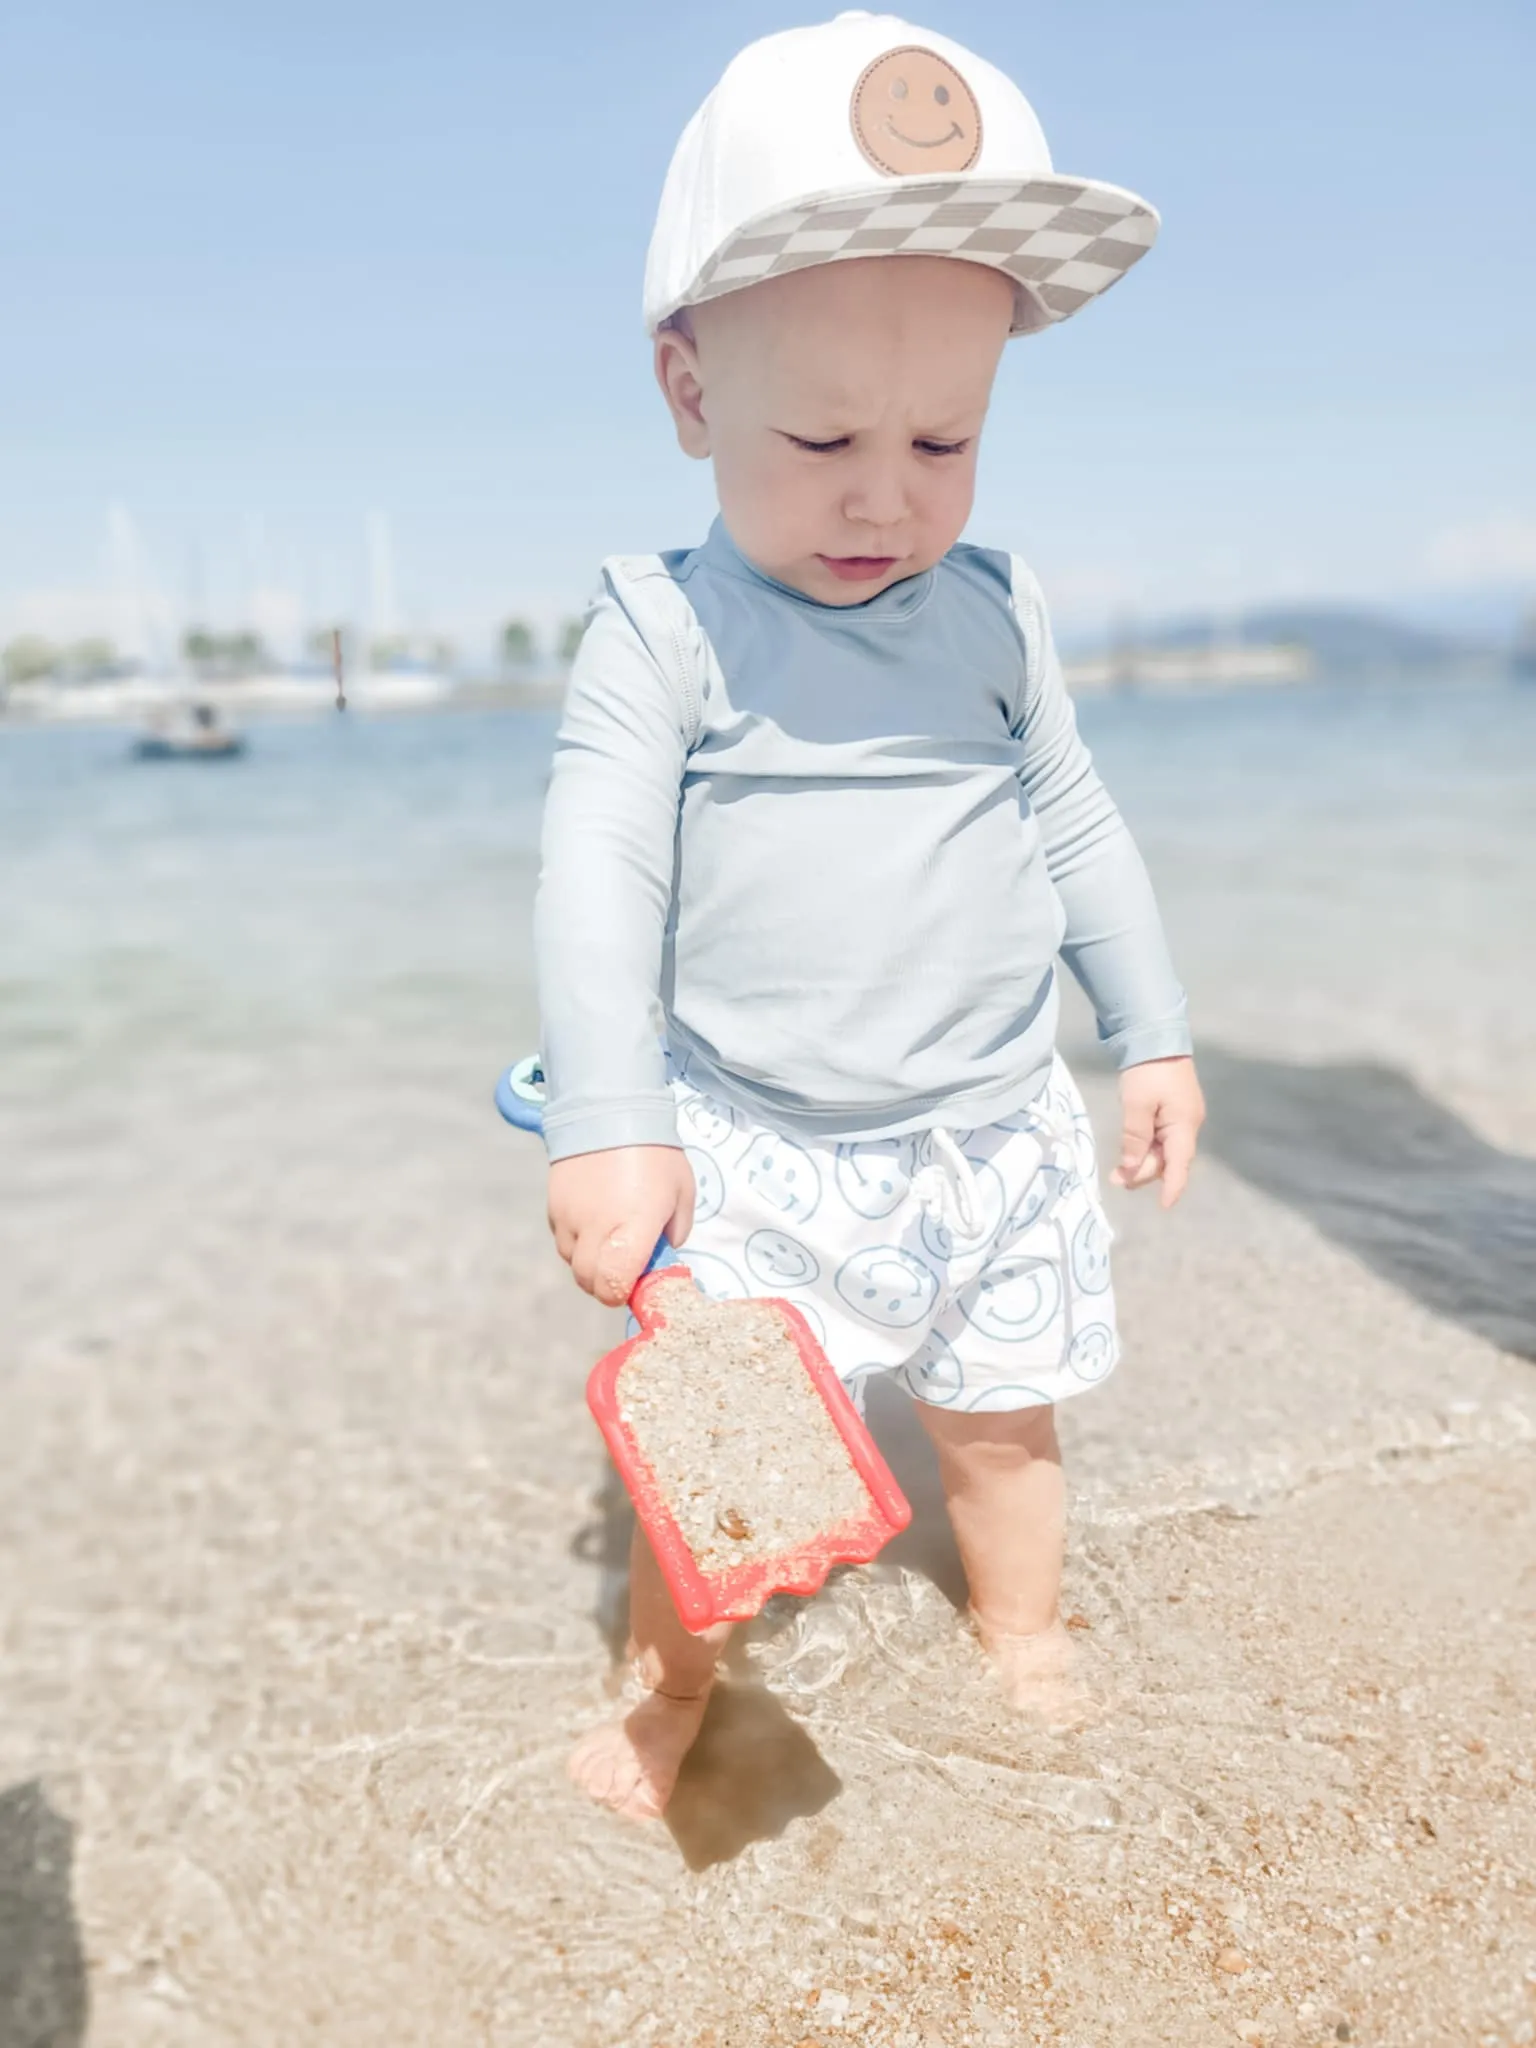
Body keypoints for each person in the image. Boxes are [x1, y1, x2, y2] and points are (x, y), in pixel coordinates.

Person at [535, 12, 1206, 1820]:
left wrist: (1149, 1030)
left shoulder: (993, 613)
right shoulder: (662, 632)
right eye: (824, 430)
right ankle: (671, 1692)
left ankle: (1026, 1638)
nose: (885, 492)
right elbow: (601, 870)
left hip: (992, 1131)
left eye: (946, 437)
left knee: (1003, 1435)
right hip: (753, 1147)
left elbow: (1072, 817)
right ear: (688, 392)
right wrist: (613, 1122)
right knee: (722, 1484)